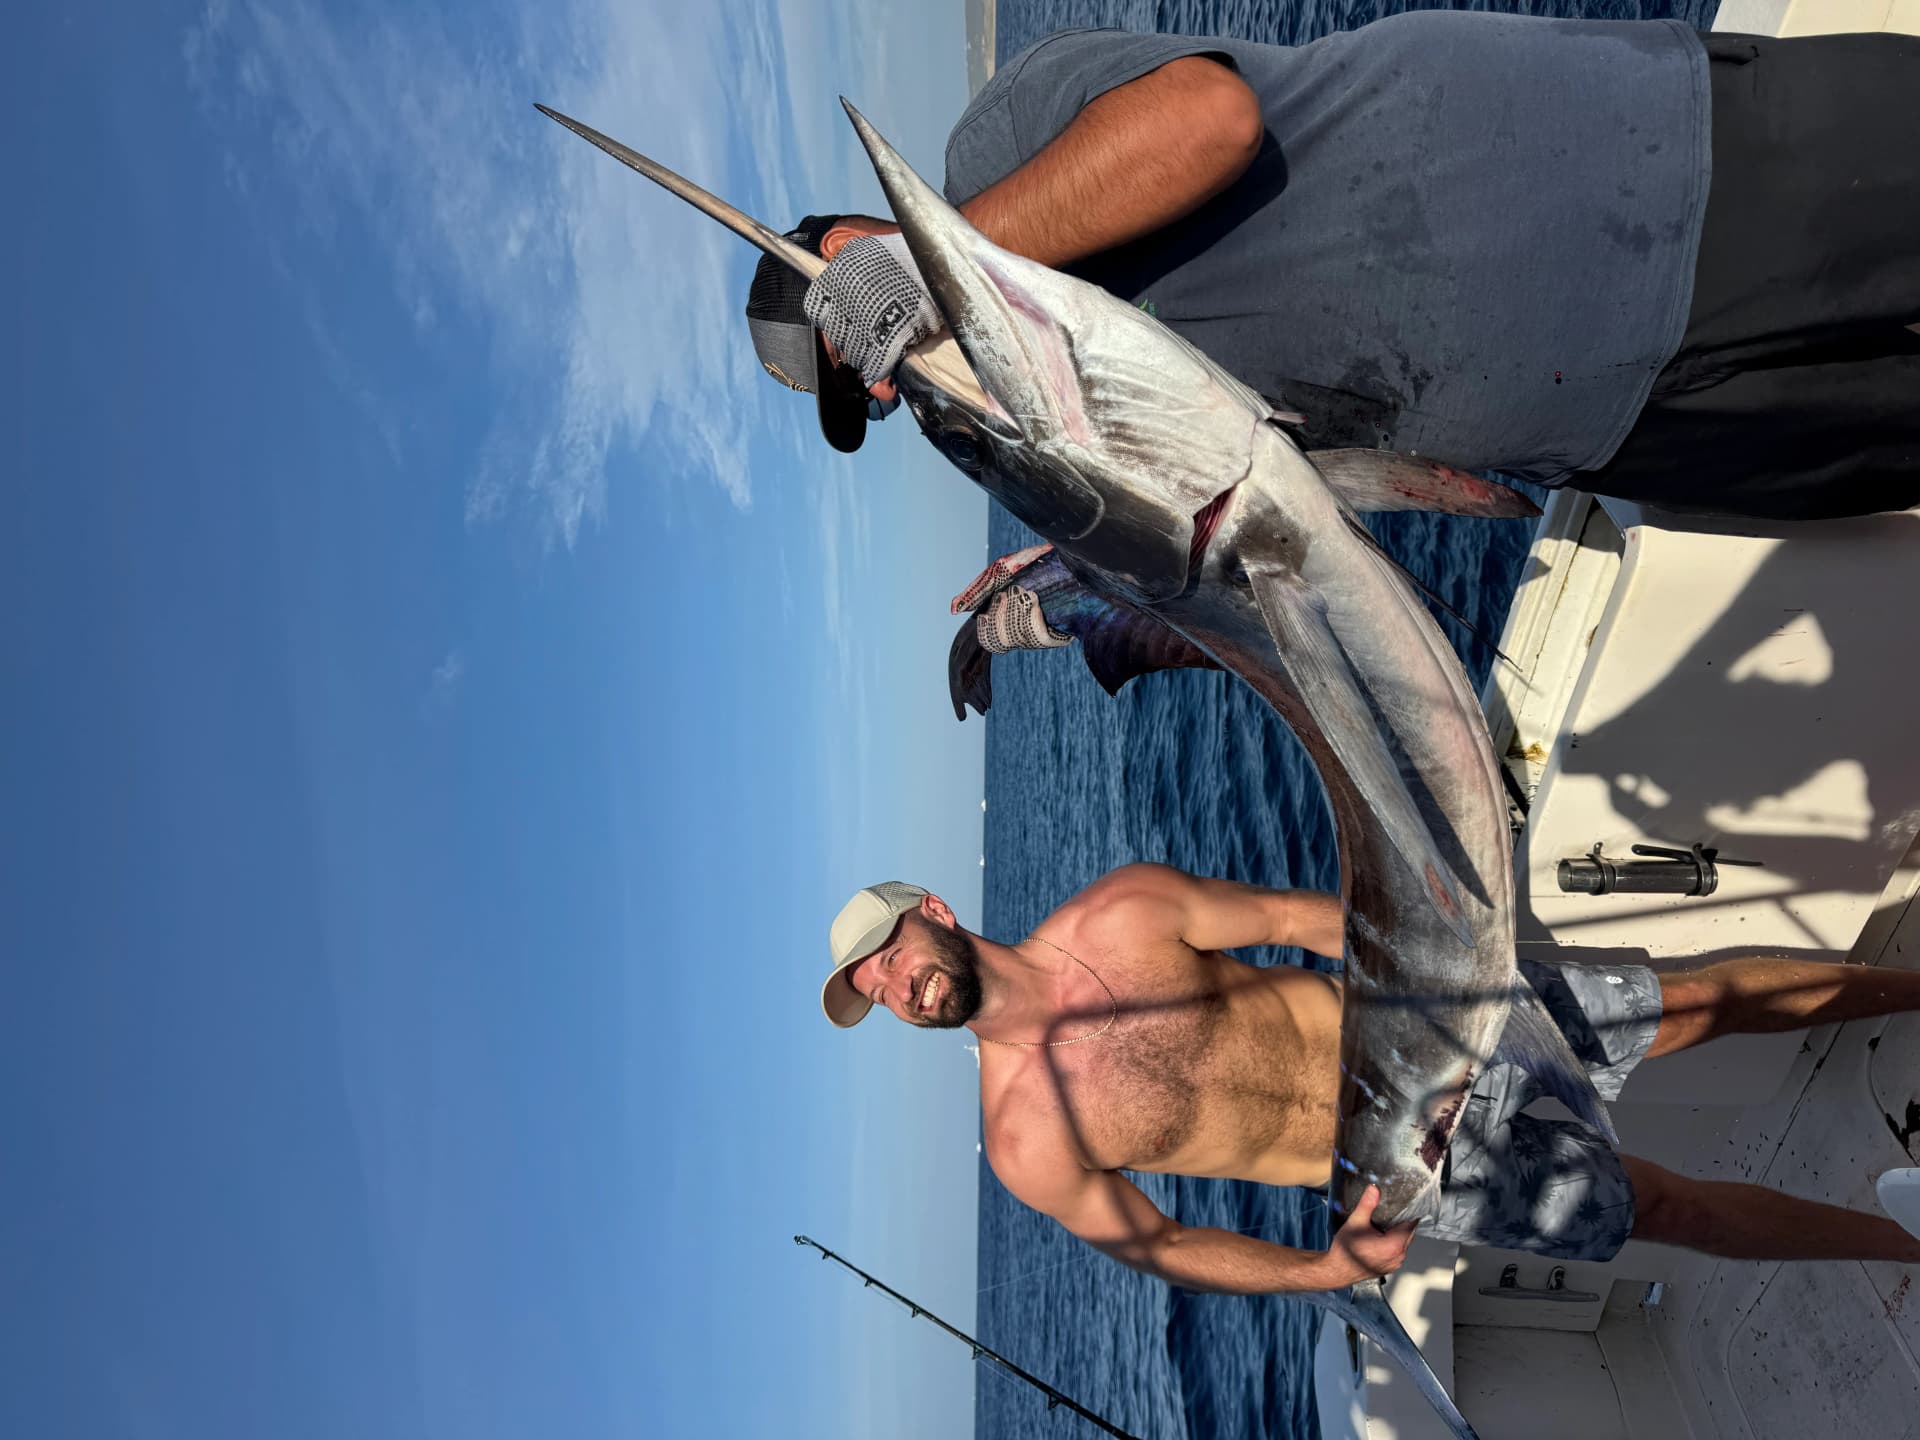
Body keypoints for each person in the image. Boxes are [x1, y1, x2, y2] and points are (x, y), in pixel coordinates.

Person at [746, 14, 1920, 519]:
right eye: (868, 394)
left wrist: (936, 262)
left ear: (852, 244)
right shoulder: (1020, 400)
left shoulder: (993, 146)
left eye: (857, 340)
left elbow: (1205, 122)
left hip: (1646, 183)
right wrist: (1095, 602)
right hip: (1622, 427)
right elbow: (1267, 502)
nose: (889, 382)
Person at [819, 869, 1920, 1294]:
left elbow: (1301, 919)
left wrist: (1438, 956)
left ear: (935, 912)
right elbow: (1159, 1243)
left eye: (890, 952)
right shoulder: (1023, 1143)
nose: (897, 985)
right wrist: (1322, 1268)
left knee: (1692, 1007)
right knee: (1669, 1211)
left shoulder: (1119, 914)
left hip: (1421, 1015)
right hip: (1397, 1172)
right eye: (875, 990)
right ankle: (1907, 1245)